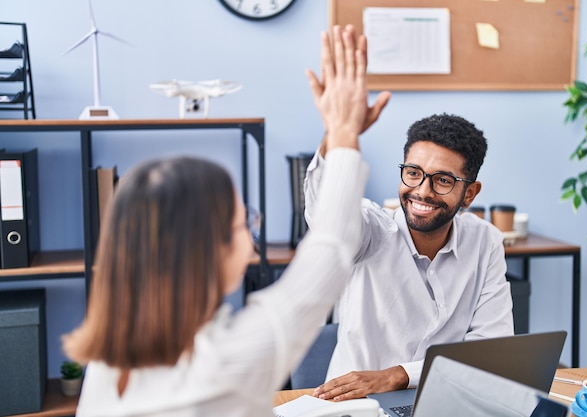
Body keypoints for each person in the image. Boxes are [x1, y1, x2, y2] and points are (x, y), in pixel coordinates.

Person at [62, 24, 389, 417]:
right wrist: (343, 131)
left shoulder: (107, 359)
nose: (253, 235)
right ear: (206, 251)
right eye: (243, 223)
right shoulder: (226, 363)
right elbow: (331, 248)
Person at [306, 113, 515, 401]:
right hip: (357, 405)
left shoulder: (485, 241)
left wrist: (400, 375)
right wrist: (339, 130)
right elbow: (328, 214)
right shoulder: (372, 232)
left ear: (469, 194)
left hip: (443, 401)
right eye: (414, 173)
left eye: (443, 180)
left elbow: (491, 353)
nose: (422, 192)